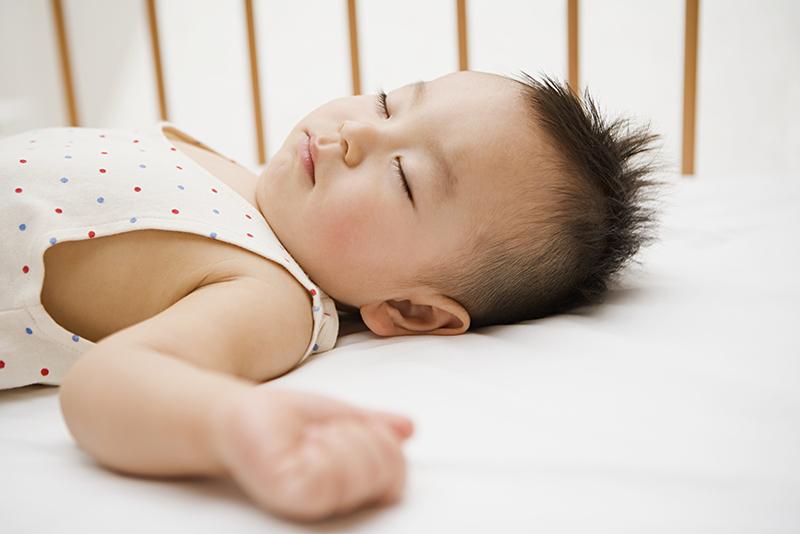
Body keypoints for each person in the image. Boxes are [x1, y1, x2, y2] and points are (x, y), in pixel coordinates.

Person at [0, 70, 662, 521]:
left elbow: (108, 386)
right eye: (386, 103)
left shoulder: (268, 294)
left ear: (413, 310)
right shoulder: (234, 172)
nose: (356, 135)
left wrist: (227, 423)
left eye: (403, 177)